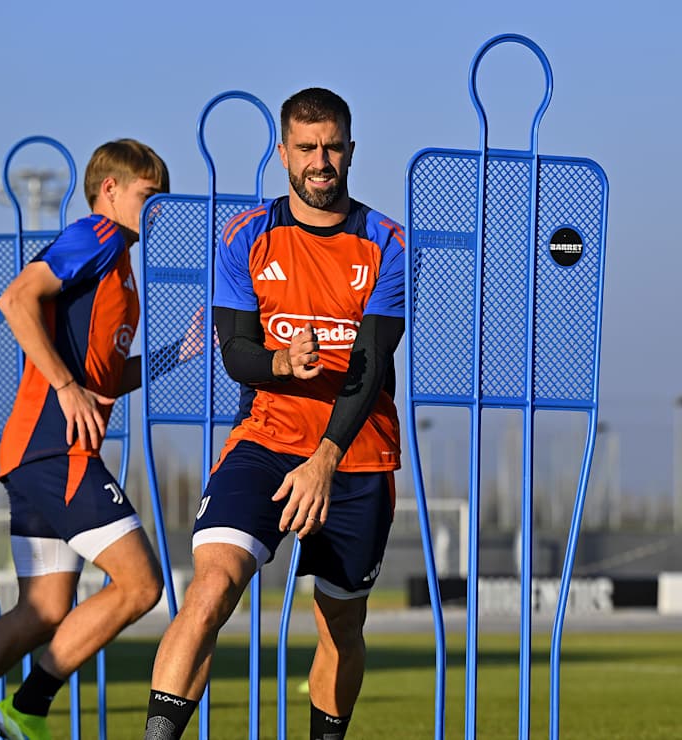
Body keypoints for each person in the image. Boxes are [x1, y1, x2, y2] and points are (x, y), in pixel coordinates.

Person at [0, 139, 196, 740]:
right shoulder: (98, 236)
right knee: (142, 585)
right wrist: (64, 387)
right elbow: (14, 299)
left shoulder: (122, 270)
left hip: (39, 454)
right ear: (110, 190)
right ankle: (26, 708)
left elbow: (105, 378)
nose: (157, 209)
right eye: (147, 195)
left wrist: (172, 357)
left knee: (42, 613)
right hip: (54, 451)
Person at [142, 87, 406, 740]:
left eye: (334, 147)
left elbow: (369, 365)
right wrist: (280, 365)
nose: (321, 161)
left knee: (340, 624)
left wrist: (326, 459)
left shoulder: (387, 242)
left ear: (351, 151)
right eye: (308, 148)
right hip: (265, 442)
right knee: (208, 595)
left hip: (354, 454)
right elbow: (235, 351)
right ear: (283, 153)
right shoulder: (246, 236)